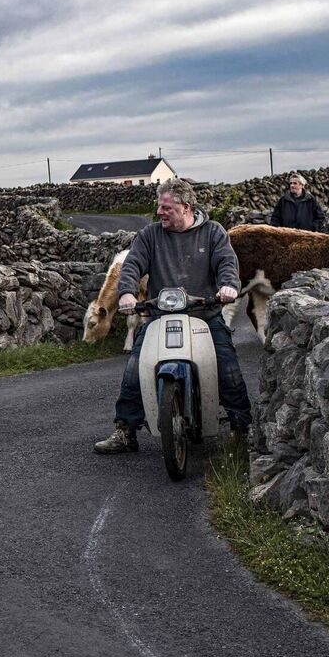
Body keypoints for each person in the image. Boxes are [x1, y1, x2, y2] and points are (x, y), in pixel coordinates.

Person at [94, 179, 251, 454]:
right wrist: (127, 293)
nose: (159, 212)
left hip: (205, 316)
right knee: (135, 368)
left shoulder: (213, 232)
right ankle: (125, 430)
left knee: (227, 367)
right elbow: (132, 265)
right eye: (159, 207)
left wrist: (228, 286)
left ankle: (242, 428)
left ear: (186, 207)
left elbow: (227, 263)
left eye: (166, 207)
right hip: (159, 317)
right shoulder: (150, 235)